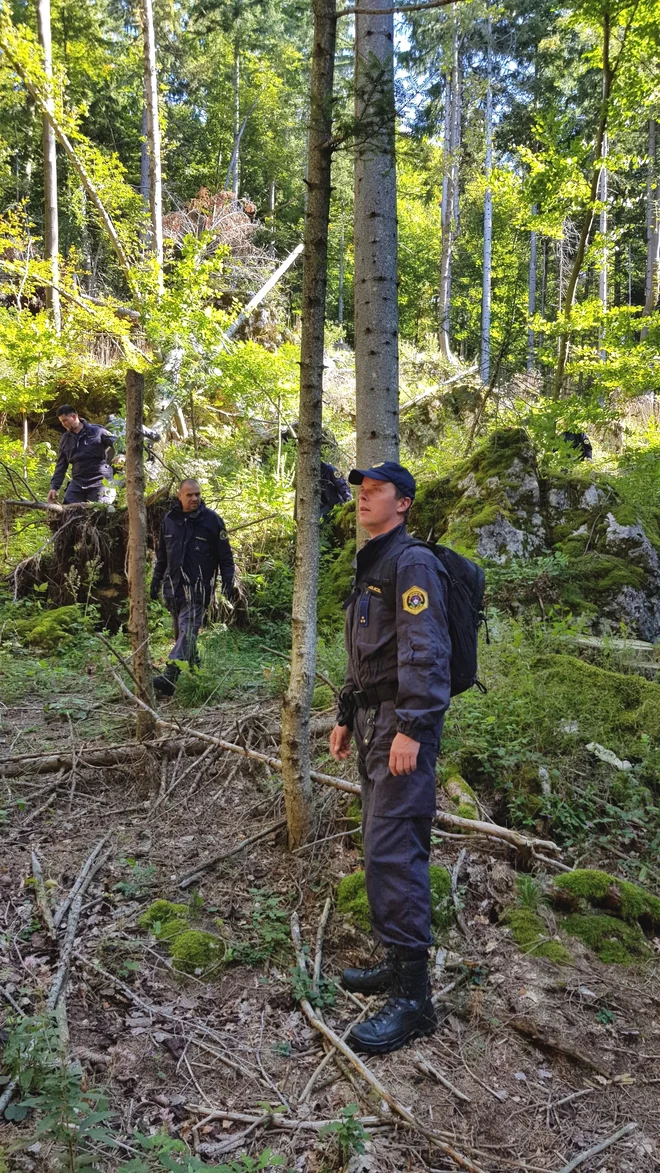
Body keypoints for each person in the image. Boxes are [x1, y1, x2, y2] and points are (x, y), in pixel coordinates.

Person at [329, 462, 452, 1055]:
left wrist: (412, 727)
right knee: (380, 845)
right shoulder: (374, 558)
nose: (364, 498)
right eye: (361, 490)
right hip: (375, 722)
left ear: (403, 503)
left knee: (394, 849)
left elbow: (425, 652)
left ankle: (414, 1000)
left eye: (376, 491)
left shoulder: (412, 563)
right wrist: (345, 713)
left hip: (402, 729)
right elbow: (369, 651)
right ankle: (395, 963)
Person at [150, 478, 236, 696]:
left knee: (188, 631)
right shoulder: (169, 520)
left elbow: (225, 557)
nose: (194, 498)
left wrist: (228, 582)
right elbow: (162, 556)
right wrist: (155, 581)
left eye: (197, 494)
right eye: (189, 495)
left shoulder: (213, 521)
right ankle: (196, 675)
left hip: (198, 589)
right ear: (180, 496)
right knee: (184, 637)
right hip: (173, 589)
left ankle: (170, 676)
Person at [47, 406, 117, 505]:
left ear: (74, 416)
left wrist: (121, 455)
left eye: (65, 420)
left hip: (100, 480)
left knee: (100, 510)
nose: (63, 424)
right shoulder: (65, 439)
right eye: (61, 422)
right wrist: (54, 487)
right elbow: (61, 466)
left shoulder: (97, 431)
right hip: (78, 482)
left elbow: (119, 443)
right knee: (67, 511)